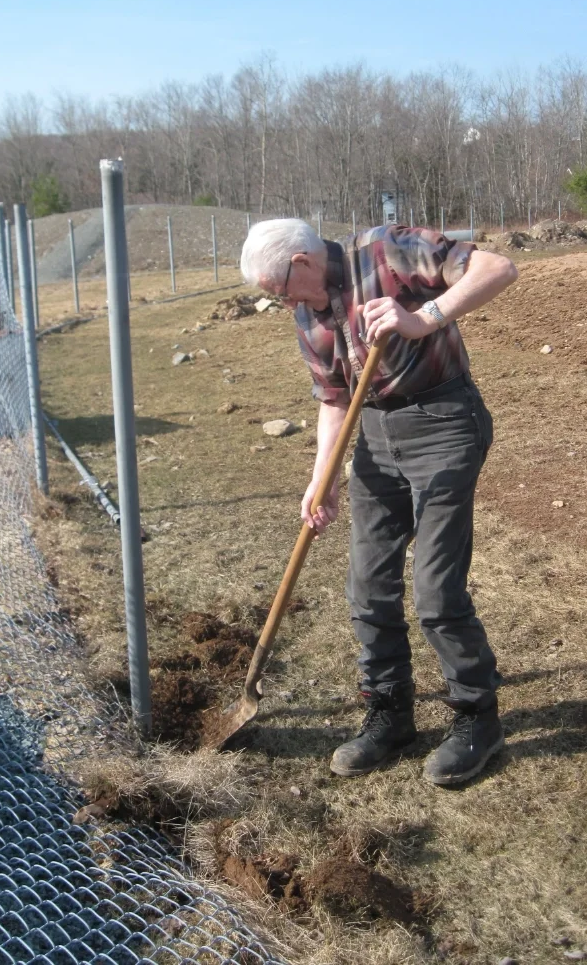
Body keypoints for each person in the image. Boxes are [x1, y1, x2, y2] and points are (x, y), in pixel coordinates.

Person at [240, 218, 518, 785]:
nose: (281, 303)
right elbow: (333, 398)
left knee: (436, 591)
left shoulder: (385, 252)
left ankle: (477, 718)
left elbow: (498, 268)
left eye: (279, 290)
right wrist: (324, 479)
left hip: (444, 423)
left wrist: (422, 318)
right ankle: (390, 713)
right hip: (375, 438)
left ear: (302, 263)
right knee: (368, 587)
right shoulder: (308, 315)